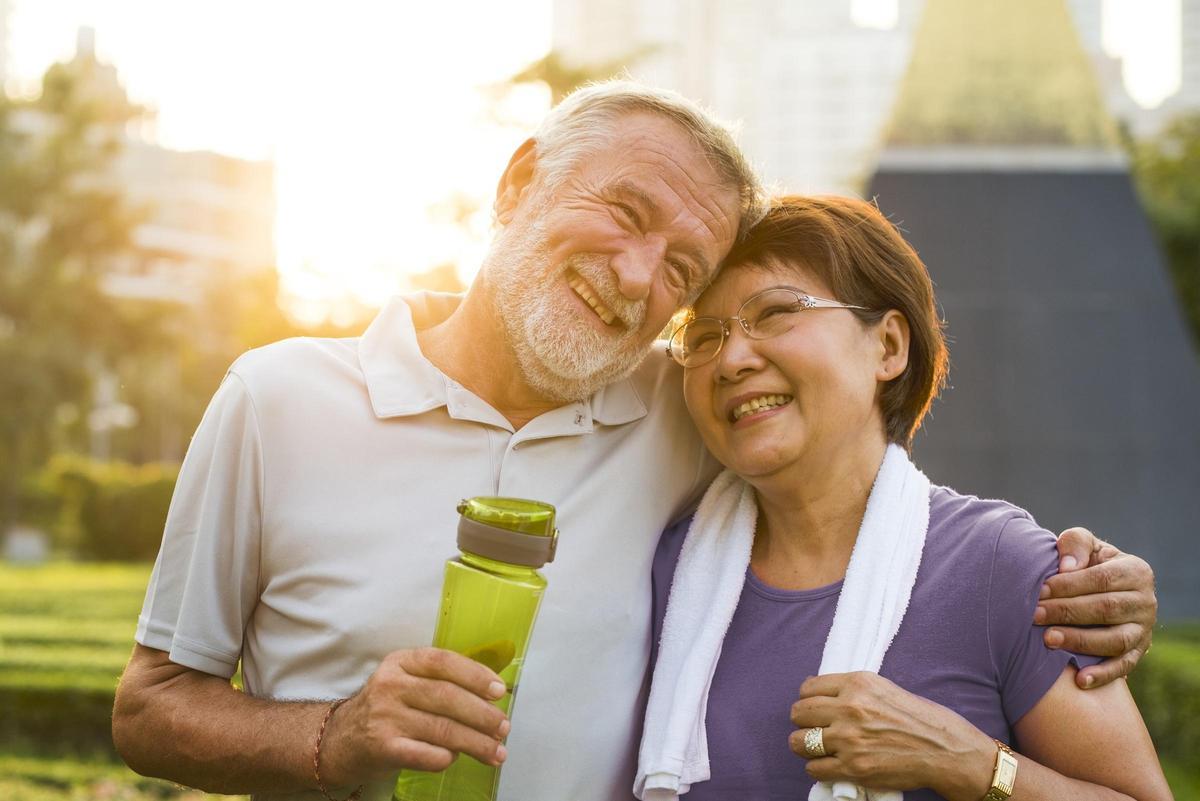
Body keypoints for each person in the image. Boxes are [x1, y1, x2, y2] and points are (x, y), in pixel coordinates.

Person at [111, 83, 1157, 801]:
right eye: (623, 210)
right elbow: (150, 710)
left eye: (683, 271)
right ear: (520, 182)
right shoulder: (275, 398)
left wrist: (1092, 578)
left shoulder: (685, 406)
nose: (634, 276)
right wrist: (333, 736)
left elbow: (865, 490)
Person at [638, 195, 1170, 800]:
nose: (731, 358)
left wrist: (970, 763)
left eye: (778, 311)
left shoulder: (1001, 565)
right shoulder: (662, 575)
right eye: (705, 336)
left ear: (888, 347)